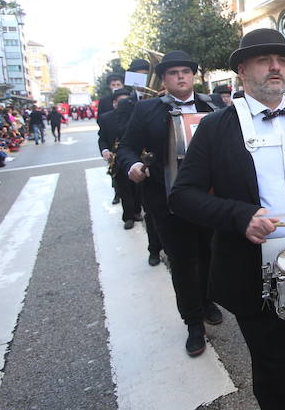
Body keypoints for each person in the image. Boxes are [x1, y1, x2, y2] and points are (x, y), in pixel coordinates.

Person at [169, 29, 285, 410]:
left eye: (282, 61)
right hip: (258, 278)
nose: (276, 67)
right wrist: (240, 215)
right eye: (264, 60)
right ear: (241, 71)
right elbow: (182, 197)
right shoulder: (216, 126)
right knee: (276, 373)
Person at [116, 50, 223, 356]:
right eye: (173, 72)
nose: (180, 77)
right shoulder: (146, 110)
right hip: (166, 200)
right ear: (163, 79)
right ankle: (193, 322)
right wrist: (132, 166)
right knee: (182, 260)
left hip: (209, 198)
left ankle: (207, 300)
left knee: (209, 253)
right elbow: (127, 148)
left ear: (193, 76)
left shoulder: (213, 105)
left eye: (185, 72)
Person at [97, 89, 142, 230]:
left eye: (127, 101)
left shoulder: (137, 115)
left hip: (134, 157)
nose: (125, 104)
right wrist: (105, 151)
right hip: (117, 160)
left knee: (137, 188)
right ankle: (128, 216)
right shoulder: (105, 118)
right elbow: (102, 138)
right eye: (121, 101)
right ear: (114, 102)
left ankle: (136, 211)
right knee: (124, 189)